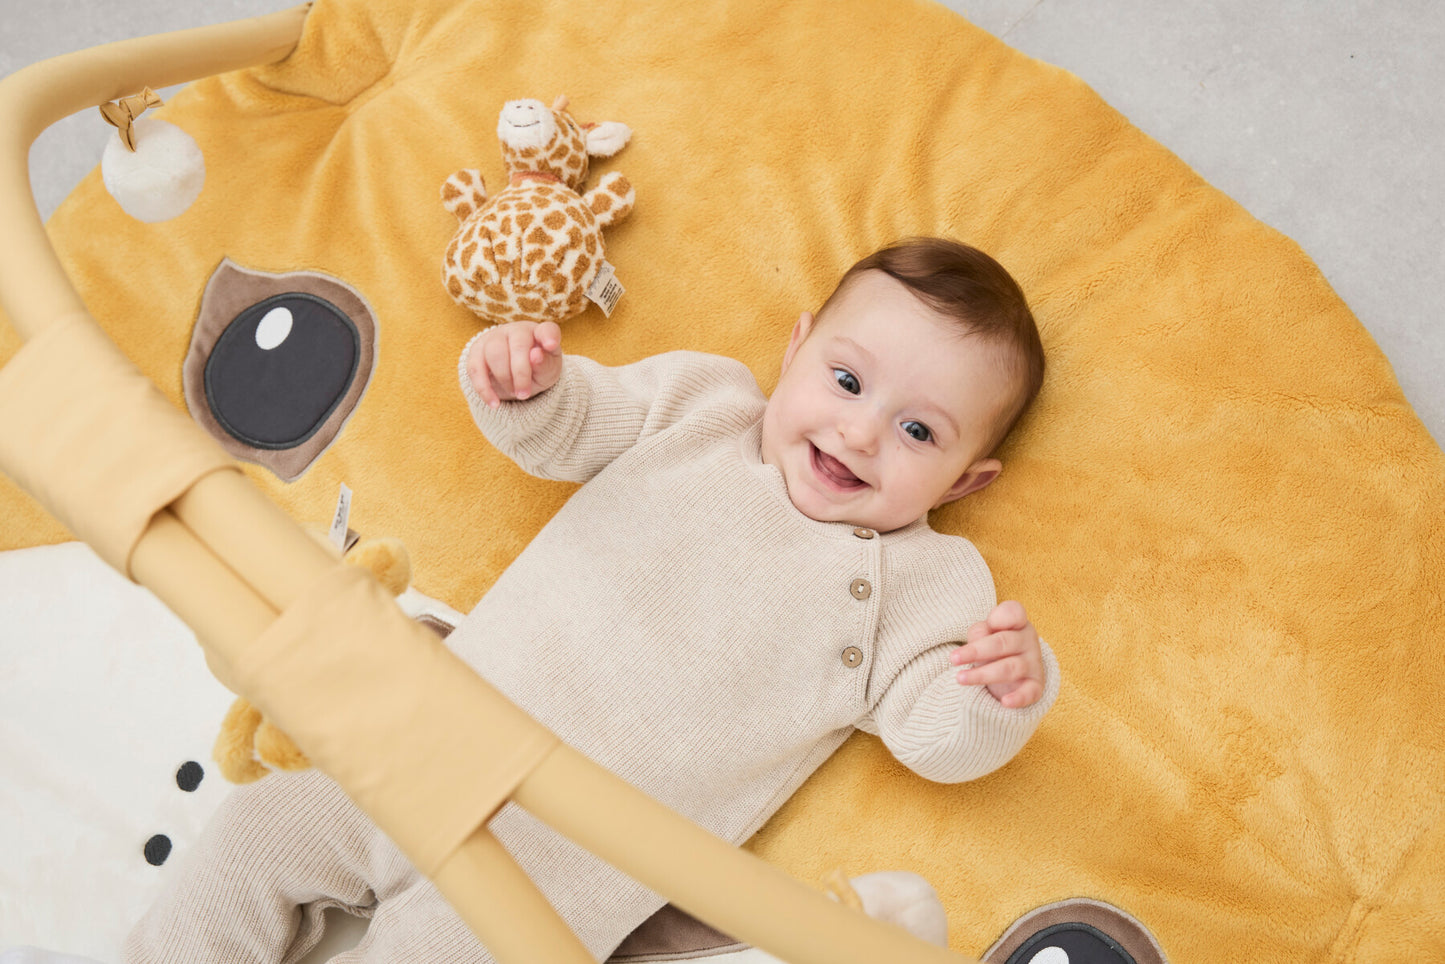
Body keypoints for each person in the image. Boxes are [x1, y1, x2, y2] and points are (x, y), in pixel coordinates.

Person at [124, 237, 1060, 963]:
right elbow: (565, 432)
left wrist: (999, 690)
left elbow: (934, 735)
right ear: (797, 346)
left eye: (916, 431)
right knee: (258, 831)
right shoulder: (704, 406)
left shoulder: (924, 582)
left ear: (963, 483)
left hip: (557, 874)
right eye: (846, 381)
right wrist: (525, 384)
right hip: (423, 729)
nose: (858, 432)